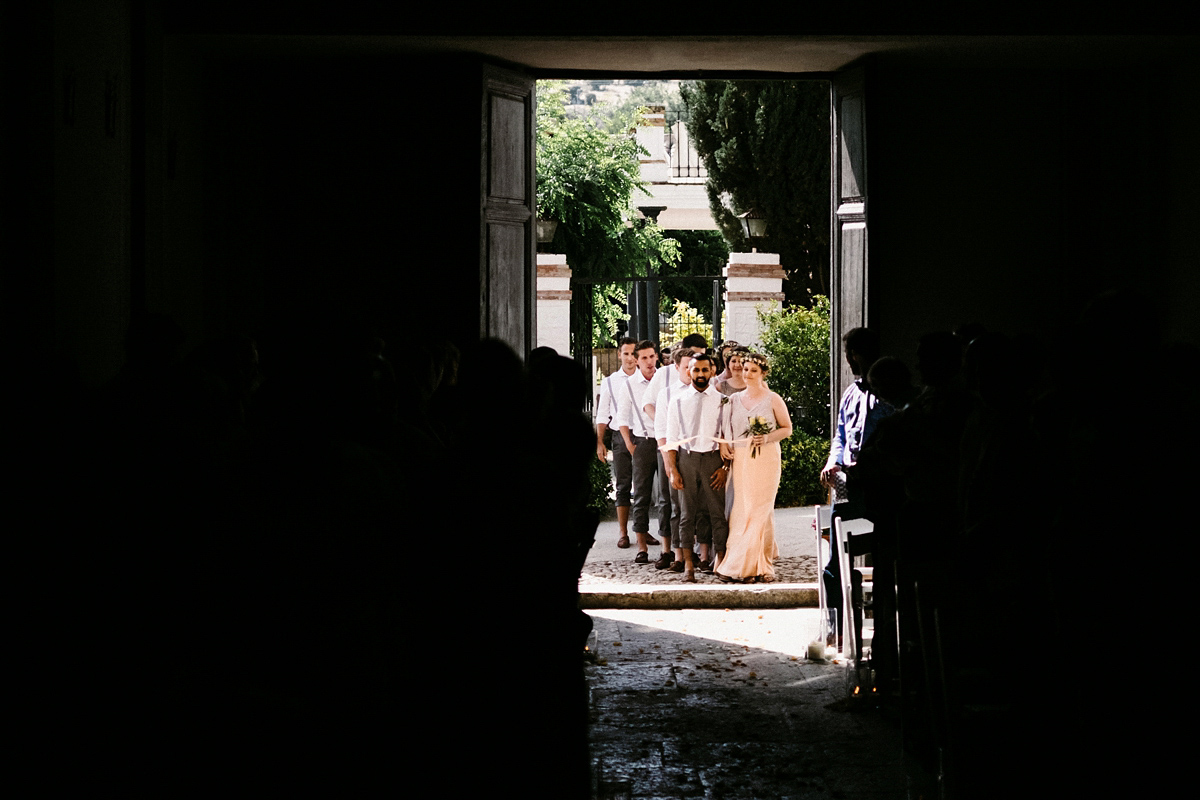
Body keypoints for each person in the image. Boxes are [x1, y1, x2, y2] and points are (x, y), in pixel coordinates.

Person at [715, 352, 792, 583]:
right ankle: (741, 561)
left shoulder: (773, 399)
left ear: (763, 373)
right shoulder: (734, 400)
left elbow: (787, 428)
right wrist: (725, 447)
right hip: (742, 459)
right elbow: (725, 429)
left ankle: (758, 565)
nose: (747, 374)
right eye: (745, 369)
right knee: (743, 508)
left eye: (753, 370)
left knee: (760, 508)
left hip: (766, 458)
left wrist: (767, 438)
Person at [664, 352, 729, 581]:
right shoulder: (677, 400)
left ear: (712, 371)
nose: (700, 374)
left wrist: (725, 468)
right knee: (686, 513)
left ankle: (721, 561)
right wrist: (673, 470)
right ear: (688, 371)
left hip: (713, 459)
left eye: (705, 370)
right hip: (687, 459)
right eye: (696, 370)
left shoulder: (722, 400)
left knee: (716, 512)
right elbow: (671, 438)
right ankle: (689, 565)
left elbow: (727, 436)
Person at [594, 337, 654, 549]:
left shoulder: (650, 378)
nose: (629, 358)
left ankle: (642, 530)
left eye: (632, 354)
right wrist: (600, 441)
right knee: (623, 484)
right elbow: (602, 414)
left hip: (644, 435)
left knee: (643, 484)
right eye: (625, 353)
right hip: (621, 436)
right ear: (619, 354)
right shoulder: (611, 381)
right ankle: (623, 532)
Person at [616, 340, 669, 563]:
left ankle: (667, 547)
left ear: (656, 357)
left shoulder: (665, 379)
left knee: (666, 496)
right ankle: (642, 547)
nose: (648, 361)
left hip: (665, 441)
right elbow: (622, 418)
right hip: (643, 442)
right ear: (636, 361)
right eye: (644, 358)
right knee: (641, 495)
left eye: (651, 356)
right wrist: (629, 444)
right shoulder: (628, 385)